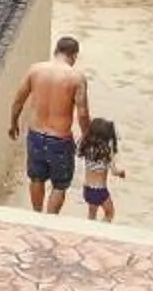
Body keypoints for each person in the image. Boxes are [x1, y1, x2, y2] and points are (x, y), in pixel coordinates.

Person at [7, 34, 92, 215]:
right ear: (74, 55)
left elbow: (18, 101)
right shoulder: (76, 78)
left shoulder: (35, 70)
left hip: (36, 135)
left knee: (36, 178)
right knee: (60, 184)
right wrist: (87, 136)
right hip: (60, 139)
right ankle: (50, 219)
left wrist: (13, 123)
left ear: (56, 51)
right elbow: (83, 113)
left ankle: (36, 214)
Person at [78, 117, 125, 224]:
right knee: (109, 213)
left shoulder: (87, 148)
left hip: (87, 189)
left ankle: (90, 231)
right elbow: (114, 171)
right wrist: (121, 173)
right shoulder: (106, 152)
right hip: (100, 191)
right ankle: (99, 231)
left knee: (91, 215)